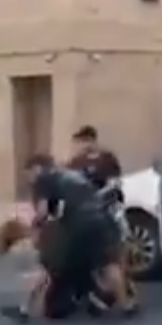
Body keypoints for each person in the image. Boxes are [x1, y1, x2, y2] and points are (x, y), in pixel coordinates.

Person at [0, 154, 124, 323]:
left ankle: (24, 310)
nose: (28, 179)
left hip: (77, 224)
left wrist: (36, 224)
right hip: (100, 218)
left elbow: (43, 212)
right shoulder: (72, 175)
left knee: (47, 268)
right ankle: (127, 304)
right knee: (107, 265)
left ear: (36, 169)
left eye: (28, 174)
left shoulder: (43, 179)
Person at [67, 126, 139, 314]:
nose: (82, 146)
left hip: (110, 210)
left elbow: (115, 183)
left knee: (120, 250)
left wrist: (99, 196)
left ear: (92, 140)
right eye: (79, 142)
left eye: (84, 141)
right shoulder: (75, 163)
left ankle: (124, 289)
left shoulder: (107, 159)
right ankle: (99, 292)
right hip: (87, 214)